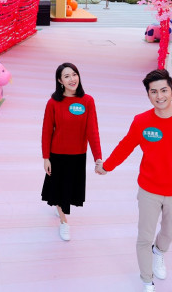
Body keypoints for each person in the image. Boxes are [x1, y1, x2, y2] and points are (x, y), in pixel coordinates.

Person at [95, 69, 172, 292]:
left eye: (164, 90)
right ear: (148, 95)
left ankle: (159, 252)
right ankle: (147, 280)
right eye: (154, 92)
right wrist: (106, 166)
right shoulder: (141, 121)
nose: (159, 96)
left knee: (169, 232)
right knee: (144, 236)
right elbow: (125, 146)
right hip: (149, 190)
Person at [41, 62, 102, 241]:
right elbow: (46, 132)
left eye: (74, 74)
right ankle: (64, 221)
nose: (72, 79)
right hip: (57, 155)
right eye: (66, 76)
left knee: (67, 191)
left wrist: (98, 157)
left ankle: (60, 208)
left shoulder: (88, 101)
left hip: (78, 155)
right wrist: (46, 157)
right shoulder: (53, 103)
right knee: (60, 192)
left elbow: (93, 130)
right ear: (60, 81)